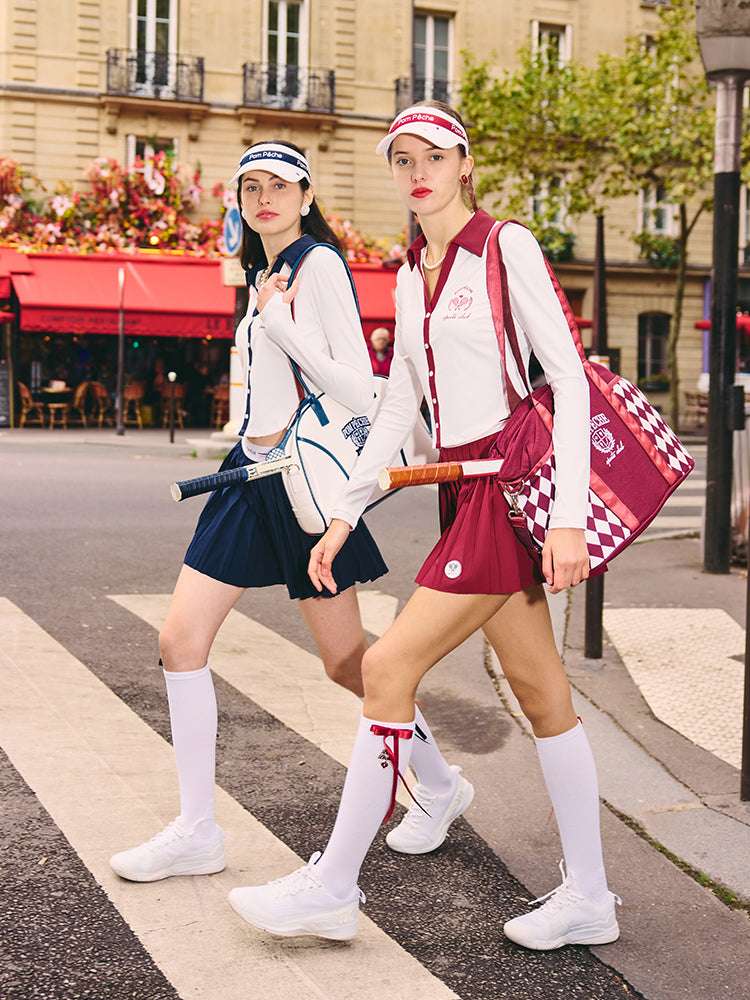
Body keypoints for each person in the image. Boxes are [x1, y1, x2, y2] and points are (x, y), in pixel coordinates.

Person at [229, 105, 622, 951]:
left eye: (434, 157)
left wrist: (567, 521)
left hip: (507, 490)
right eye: (403, 159)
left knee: (386, 667)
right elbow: (398, 404)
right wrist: (345, 511)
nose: (418, 172)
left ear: (465, 165)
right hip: (461, 488)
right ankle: (590, 896)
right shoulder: (411, 274)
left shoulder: (506, 247)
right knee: (544, 694)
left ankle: (334, 885)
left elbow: (570, 380)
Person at [109, 140, 464, 884]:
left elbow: (362, 389)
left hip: (302, 485)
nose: (265, 198)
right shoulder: (265, 273)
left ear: (306, 197)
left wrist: (279, 323)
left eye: (280, 185)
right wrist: (266, 318)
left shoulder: (319, 265)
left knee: (349, 664)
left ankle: (437, 784)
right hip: (249, 477)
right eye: (252, 187)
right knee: (180, 642)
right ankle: (197, 830)